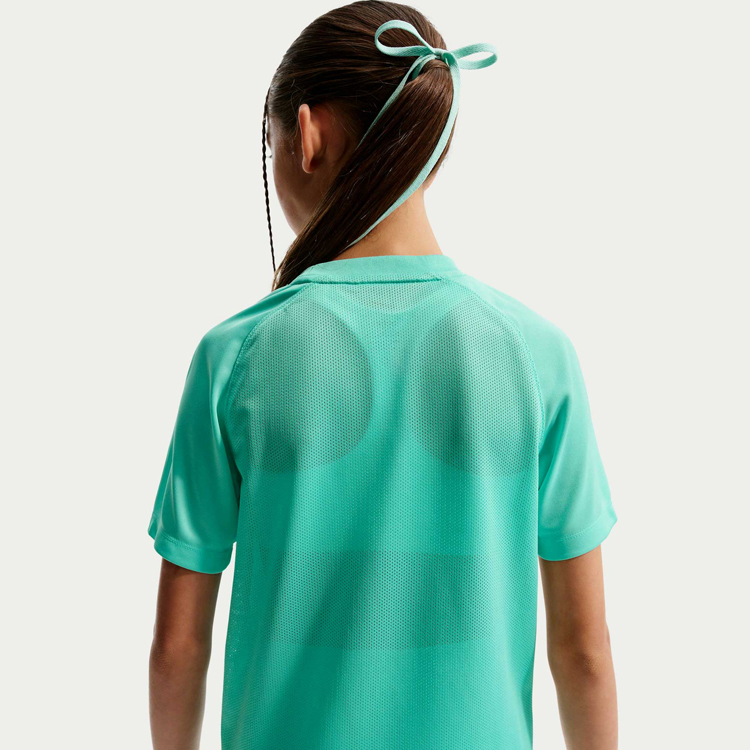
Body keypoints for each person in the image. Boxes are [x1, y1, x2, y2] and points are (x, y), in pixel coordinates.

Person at [147, 2, 618, 748]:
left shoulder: (235, 354)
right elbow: (583, 652)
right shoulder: (537, 354)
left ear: (307, 135)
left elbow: (178, 649)